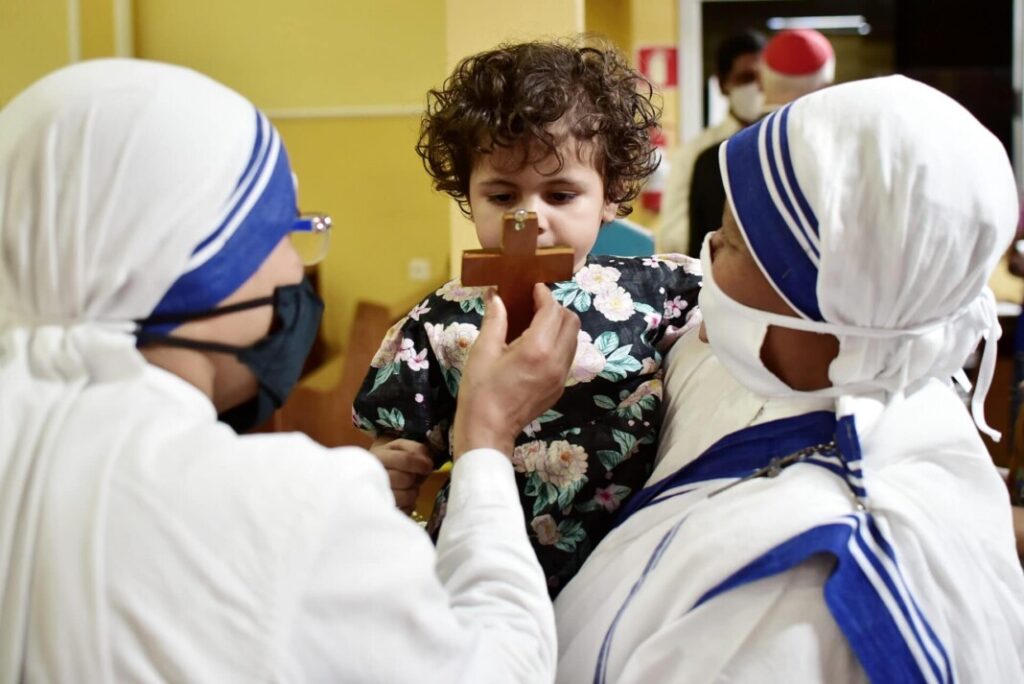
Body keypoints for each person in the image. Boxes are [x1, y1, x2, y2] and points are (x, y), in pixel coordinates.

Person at [0, 58, 583, 682]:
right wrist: (485, 443)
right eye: (283, 231)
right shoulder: (292, 512)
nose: (292, 270)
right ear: (200, 258)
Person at [555, 75, 1024, 682]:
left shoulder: (793, 599)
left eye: (733, 245)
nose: (706, 255)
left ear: (823, 297)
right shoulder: (865, 376)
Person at [352, 40, 702, 595]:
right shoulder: (438, 322)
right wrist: (390, 467)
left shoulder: (659, 292)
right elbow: (402, 440)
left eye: (561, 194)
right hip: (485, 560)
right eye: (501, 194)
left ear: (609, 195)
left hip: (627, 570)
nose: (528, 217)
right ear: (468, 195)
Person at [685, 28, 834, 256]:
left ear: (765, 82)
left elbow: (700, 254)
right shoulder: (837, 155)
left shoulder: (715, 158)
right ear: (826, 86)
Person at [658, 30, 765, 255]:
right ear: (724, 84)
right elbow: (673, 234)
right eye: (746, 78)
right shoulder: (698, 153)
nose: (757, 87)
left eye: (762, 78)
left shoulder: (779, 143)